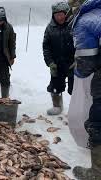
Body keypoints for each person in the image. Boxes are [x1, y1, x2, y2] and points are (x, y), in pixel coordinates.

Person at [68, 0, 101, 179]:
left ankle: (97, 173)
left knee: (98, 123)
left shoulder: (86, 19)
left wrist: (79, 71)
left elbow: (86, 64)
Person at [42, 1, 75, 116]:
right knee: (55, 86)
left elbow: (81, 43)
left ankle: (77, 109)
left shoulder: (74, 25)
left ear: (67, 13)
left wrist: (78, 60)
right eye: (56, 15)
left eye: (61, 14)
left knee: (75, 88)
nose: (59, 17)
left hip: (73, 63)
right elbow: (46, 47)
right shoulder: (50, 28)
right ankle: (57, 106)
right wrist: (50, 62)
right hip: (57, 63)